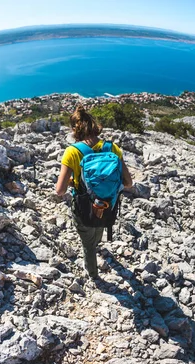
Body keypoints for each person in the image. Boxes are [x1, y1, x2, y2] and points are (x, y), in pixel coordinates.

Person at [55, 104, 133, 279]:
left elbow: (59, 191)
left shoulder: (72, 152)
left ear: (75, 130)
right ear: (94, 126)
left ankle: (93, 275)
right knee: (98, 227)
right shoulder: (112, 148)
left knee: (87, 244)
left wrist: (72, 181)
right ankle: (96, 241)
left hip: (83, 207)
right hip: (108, 205)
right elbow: (128, 183)